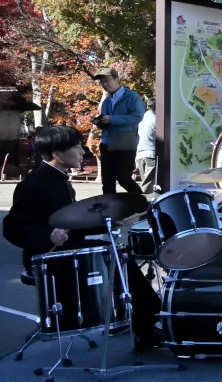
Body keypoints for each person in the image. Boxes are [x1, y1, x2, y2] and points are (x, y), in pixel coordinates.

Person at [3, 126, 162, 350]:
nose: (82, 151)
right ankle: (143, 325)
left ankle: (140, 322)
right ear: (57, 154)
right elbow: (12, 228)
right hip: (47, 258)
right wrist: (48, 234)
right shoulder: (33, 184)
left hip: (68, 250)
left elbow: (71, 226)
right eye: (76, 147)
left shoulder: (61, 180)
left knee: (119, 254)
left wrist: (105, 225)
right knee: (116, 258)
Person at [92, 66, 146, 196]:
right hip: (107, 143)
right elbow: (107, 123)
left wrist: (112, 119)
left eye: (106, 81)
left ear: (117, 78)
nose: (104, 85)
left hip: (125, 142)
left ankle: (141, 201)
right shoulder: (106, 101)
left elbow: (137, 117)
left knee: (124, 178)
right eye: (101, 82)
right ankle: (109, 206)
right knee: (107, 181)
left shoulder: (132, 97)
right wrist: (99, 122)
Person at [135, 96, 157, 194]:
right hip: (151, 154)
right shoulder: (156, 120)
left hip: (140, 154)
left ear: (147, 106)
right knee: (147, 187)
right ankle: (137, 200)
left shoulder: (140, 119)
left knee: (146, 183)